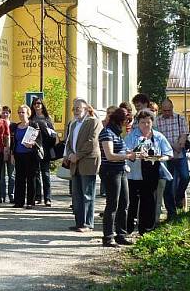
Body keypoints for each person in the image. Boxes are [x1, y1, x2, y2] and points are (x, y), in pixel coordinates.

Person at [125, 109, 173, 236]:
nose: (145, 125)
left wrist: (159, 158)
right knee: (133, 201)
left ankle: (146, 228)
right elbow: (126, 152)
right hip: (134, 173)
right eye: (142, 122)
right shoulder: (131, 136)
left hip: (152, 171)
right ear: (138, 123)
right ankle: (128, 227)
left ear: (152, 122)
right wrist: (136, 154)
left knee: (149, 200)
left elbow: (168, 153)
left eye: (148, 122)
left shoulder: (158, 136)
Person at [63, 98, 102, 231]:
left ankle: (88, 224)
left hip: (88, 162)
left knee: (87, 194)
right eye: (74, 108)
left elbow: (92, 142)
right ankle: (79, 222)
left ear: (86, 109)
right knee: (77, 195)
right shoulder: (73, 124)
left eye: (78, 108)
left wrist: (77, 155)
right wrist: (69, 155)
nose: (75, 111)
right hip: (74, 163)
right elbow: (68, 143)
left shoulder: (94, 122)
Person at [99, 107, 135, 247]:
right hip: (110, 171)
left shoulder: (118, 134)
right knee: (112, 204)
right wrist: (128, 156)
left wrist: (134, 154)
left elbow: (122, 150)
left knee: (124, 203)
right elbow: (110, 155)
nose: (128, 124)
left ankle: (121, 234)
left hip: (121, 170)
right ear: (119, 120)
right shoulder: (107, 133)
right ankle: (108, 237)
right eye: (127, 121)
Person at [156, 99, 190, 219]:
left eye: (169, 110)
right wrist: (172, 145)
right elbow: (159, 137)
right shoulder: (157, 121)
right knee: (168, 184)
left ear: (172, 107)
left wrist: (180, 145)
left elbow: (184, 134)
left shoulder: (179, 118)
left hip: (180, 154)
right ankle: (171, 212)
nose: (167, 112)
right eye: (164, 110)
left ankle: (178, 197)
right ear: (161, 109)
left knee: (185, 177)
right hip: (166, 155)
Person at [11, 105, 42, 209]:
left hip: (31, 155)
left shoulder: (33, 125)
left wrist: (33, 144)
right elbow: (13, 142)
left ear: (28, 114)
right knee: (19, 179)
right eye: (19, 112)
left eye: (23, 112)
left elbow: (39, 140)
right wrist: (12, 154)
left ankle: (30, 201)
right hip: (18, 154)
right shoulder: (15, 126)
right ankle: (18, 201)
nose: (20, 114)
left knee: (31, 178)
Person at [29, 98, 56, 207]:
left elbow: (53, 134)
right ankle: (38, 197)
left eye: (39, 103)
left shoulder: (48, 118)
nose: (37, 105)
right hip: (34, 148)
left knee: (45, 174)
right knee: (36, 174)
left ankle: (47, 198)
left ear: (42, 105)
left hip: (46, 149)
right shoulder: (31, 118)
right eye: (35, 104)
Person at [0, 106, 15, 203]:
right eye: (3, 112)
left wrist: (12, 151)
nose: (5, 114)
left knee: (12, 175)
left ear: (10, 114)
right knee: (1, 176)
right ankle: (2, 195)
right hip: (1, 152)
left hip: (12, 153)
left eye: (7, 113)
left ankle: (11, 195)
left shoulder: (14, 125)